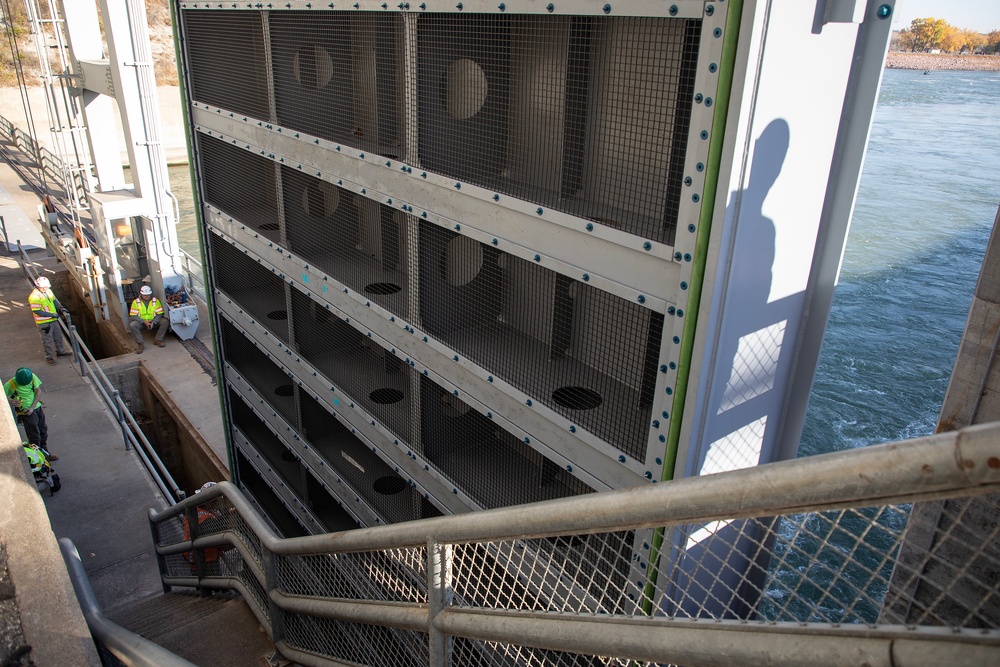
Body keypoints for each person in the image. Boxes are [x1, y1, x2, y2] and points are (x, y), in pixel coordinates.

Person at [5, 367, 57, 460]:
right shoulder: (10, 384)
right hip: (26, 413)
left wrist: (32, 407)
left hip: (36, 408)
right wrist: (10, 401)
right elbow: (2, 397)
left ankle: (45, 451)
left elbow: (38, 391)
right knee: (34, 435)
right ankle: (38, 457)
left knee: (43, 430)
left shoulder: (32, 377)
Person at [28, 276, 72, 365]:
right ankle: (49, 358)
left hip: (53, 319)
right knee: (47, 341)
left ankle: (61, 352)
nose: (46, 288)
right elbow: (37, 311)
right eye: (45, 287)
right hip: (44, 323)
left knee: (58, 336)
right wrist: (51, 315)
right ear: (39, 287)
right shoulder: (34, 297)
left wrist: (61, 308)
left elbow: (53, 300)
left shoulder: (47, 291)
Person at [129, 285, 168, 353]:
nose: (147, 296)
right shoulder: (136, 302)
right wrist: (144, 321)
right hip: (142, 323)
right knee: (133, 325)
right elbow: (133, 315)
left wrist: (153, 322)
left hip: (153, 321)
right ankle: (140, 344)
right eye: (145, 295)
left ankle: (158, 340)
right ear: (141, 294)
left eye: (148, 295)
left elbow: (159, 313)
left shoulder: (155, 301)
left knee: (165, 321)